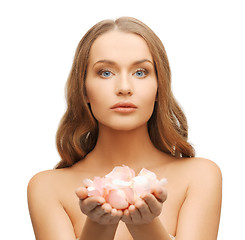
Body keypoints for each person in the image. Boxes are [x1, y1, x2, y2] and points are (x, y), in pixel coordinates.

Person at [27, 17, 222, 240]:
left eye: (140, 72)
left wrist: (147, 226)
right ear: (83, 90)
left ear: (160, 88)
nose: (124, 88)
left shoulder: (200, 176)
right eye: (106, 73)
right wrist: (98, 227)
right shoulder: (46, 188)